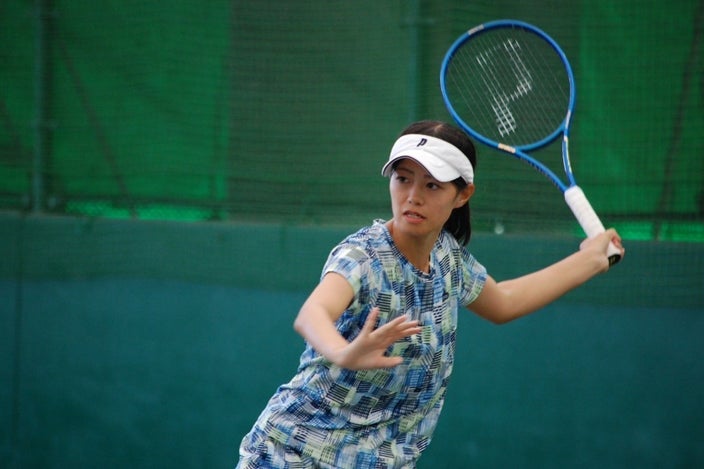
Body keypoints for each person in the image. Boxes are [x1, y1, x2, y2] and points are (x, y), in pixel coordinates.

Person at [236, 120, 624, 468]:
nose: (412, 196)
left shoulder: (448, 258)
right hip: (291, 455)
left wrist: (590, 261)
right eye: (402, 179)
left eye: (432, 185)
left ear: (462, 194)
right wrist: (344, 352)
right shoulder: (362, 256)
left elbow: (503, 302)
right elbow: (312, 312)